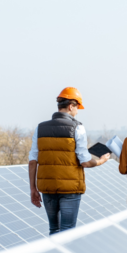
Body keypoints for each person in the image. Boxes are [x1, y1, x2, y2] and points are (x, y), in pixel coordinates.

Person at [28, 87, 111, 235]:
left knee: (54, 229)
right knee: (68, 232)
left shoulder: (40, 128)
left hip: (47, 188)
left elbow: (33, 161)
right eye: (77, 107)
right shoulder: (77, 127)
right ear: (71, 106)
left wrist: (33, 189)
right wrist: (101, 161)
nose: (77, 112)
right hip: (70, 189)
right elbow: (85, 161)